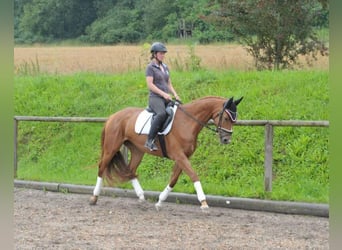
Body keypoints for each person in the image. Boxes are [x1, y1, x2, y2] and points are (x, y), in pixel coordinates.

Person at [144, 42, 180, 151]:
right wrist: (163, 94)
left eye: (164, 53)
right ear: (154, 54)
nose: (163, 55)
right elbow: (150, 84)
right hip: (155, 98)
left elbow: (168, 83)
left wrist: (175, 94)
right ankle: (149, 140)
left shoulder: (165, 67)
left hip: (166, 97)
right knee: (161, 113)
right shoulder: (150, 67)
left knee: (178, 111)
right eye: (161, 53)